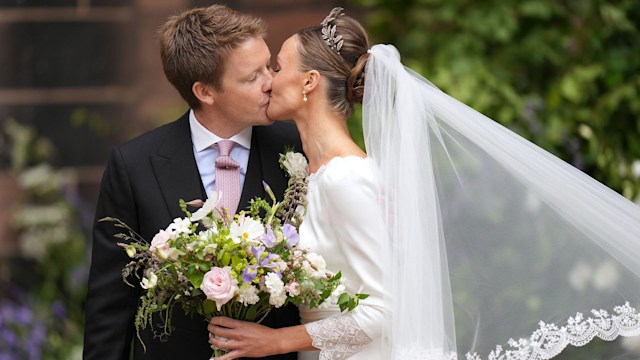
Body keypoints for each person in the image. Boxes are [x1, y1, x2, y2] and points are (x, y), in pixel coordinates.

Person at [207, 7, 640, 360]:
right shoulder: (313, 174)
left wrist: (276, 342)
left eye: (278, 67)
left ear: (308, 83)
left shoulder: (347, 179)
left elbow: (385, 310)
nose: (269, 80)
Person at [83, 5, 301, 360]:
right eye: (251, 77)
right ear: (205, 91)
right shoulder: (134, 165)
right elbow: (110, 305)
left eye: (268, 67)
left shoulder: (297, 150)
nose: (270, 83)